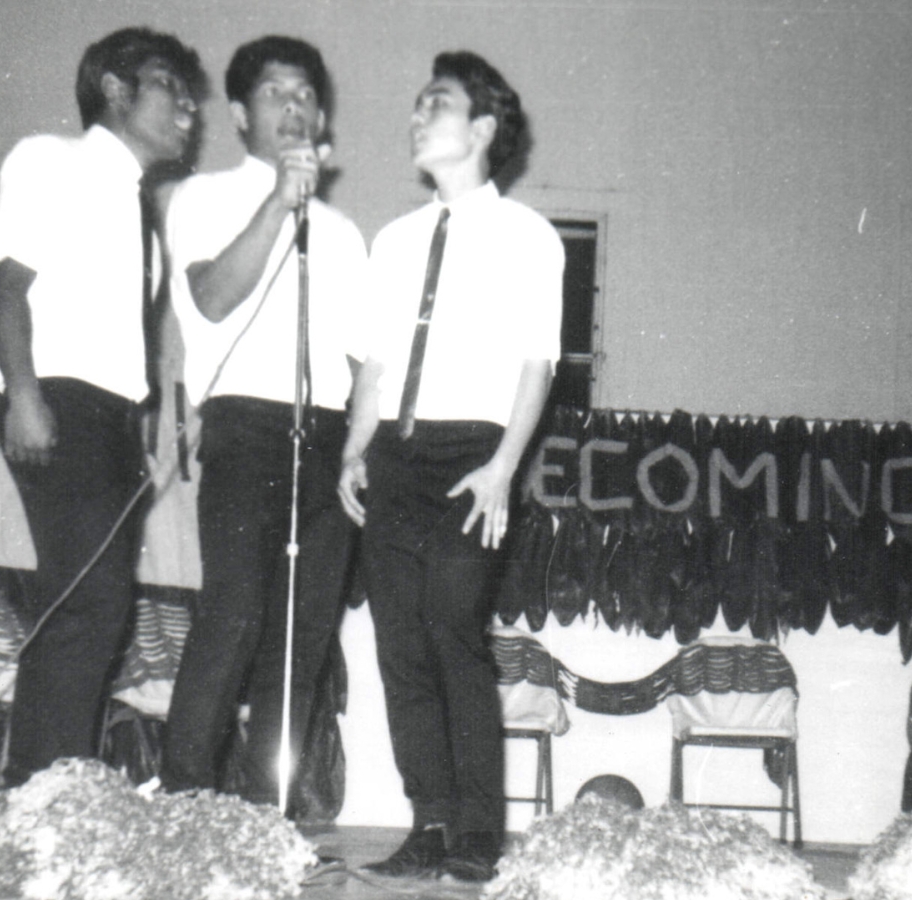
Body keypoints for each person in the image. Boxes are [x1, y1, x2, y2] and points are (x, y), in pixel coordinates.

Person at [338, 50, 563, 882]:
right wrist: (354, 454)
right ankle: (427, 820)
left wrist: (505, 465)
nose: (415, 115)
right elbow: (372, 366)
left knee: (451, 628)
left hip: (476, 454)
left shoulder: (529, 237)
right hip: (396, 451)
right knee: (398, 642)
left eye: (435, 103)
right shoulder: (394, 241)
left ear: (482, 128)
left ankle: (477, 833)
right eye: (417, 103)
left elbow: (536, 365)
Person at [0, 26, 204, 787]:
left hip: (108, 416)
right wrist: (23, 394)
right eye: (168, 85)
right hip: (53, 394)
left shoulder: (139, 209)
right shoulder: (51, 160)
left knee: (95, 604)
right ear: (114, 89)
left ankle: (50, 786)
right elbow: (6, 284)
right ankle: (45, 793)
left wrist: (137, 426)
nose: (187, 106)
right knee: (89, 601)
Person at [159, 36, 367, 811]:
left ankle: (263, 814)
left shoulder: (343, 235)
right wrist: (279, 201)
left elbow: (361, 359)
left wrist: (363, 447)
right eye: (278, 93)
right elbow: (212, 299)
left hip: (329, 439)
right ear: (241, 113)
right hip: (246, 429)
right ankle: (182, 804)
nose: (296, 108)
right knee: (235, 617)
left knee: (302, 643)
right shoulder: (204, 198)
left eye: (307, 94)